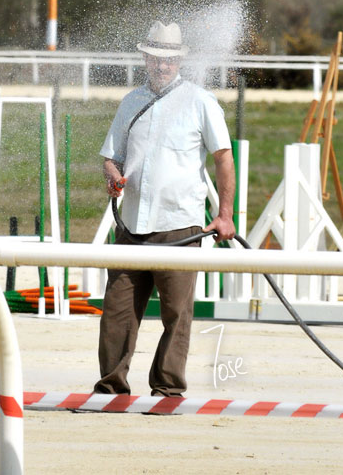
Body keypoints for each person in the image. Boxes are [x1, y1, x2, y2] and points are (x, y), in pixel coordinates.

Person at [94, 21, 236, 397]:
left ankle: (168, 388)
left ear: (179, 61)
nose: (162, 65)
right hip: (131, 226)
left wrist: (225, 214)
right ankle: (111, 387)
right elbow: (111, 157)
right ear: (145, 58)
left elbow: (223, 158)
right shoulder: (131, 102)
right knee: (117, 311)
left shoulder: (200, 101)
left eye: (169, 59)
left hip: (179, 226)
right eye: (156, 58)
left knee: (177, 315)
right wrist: (113, 176)